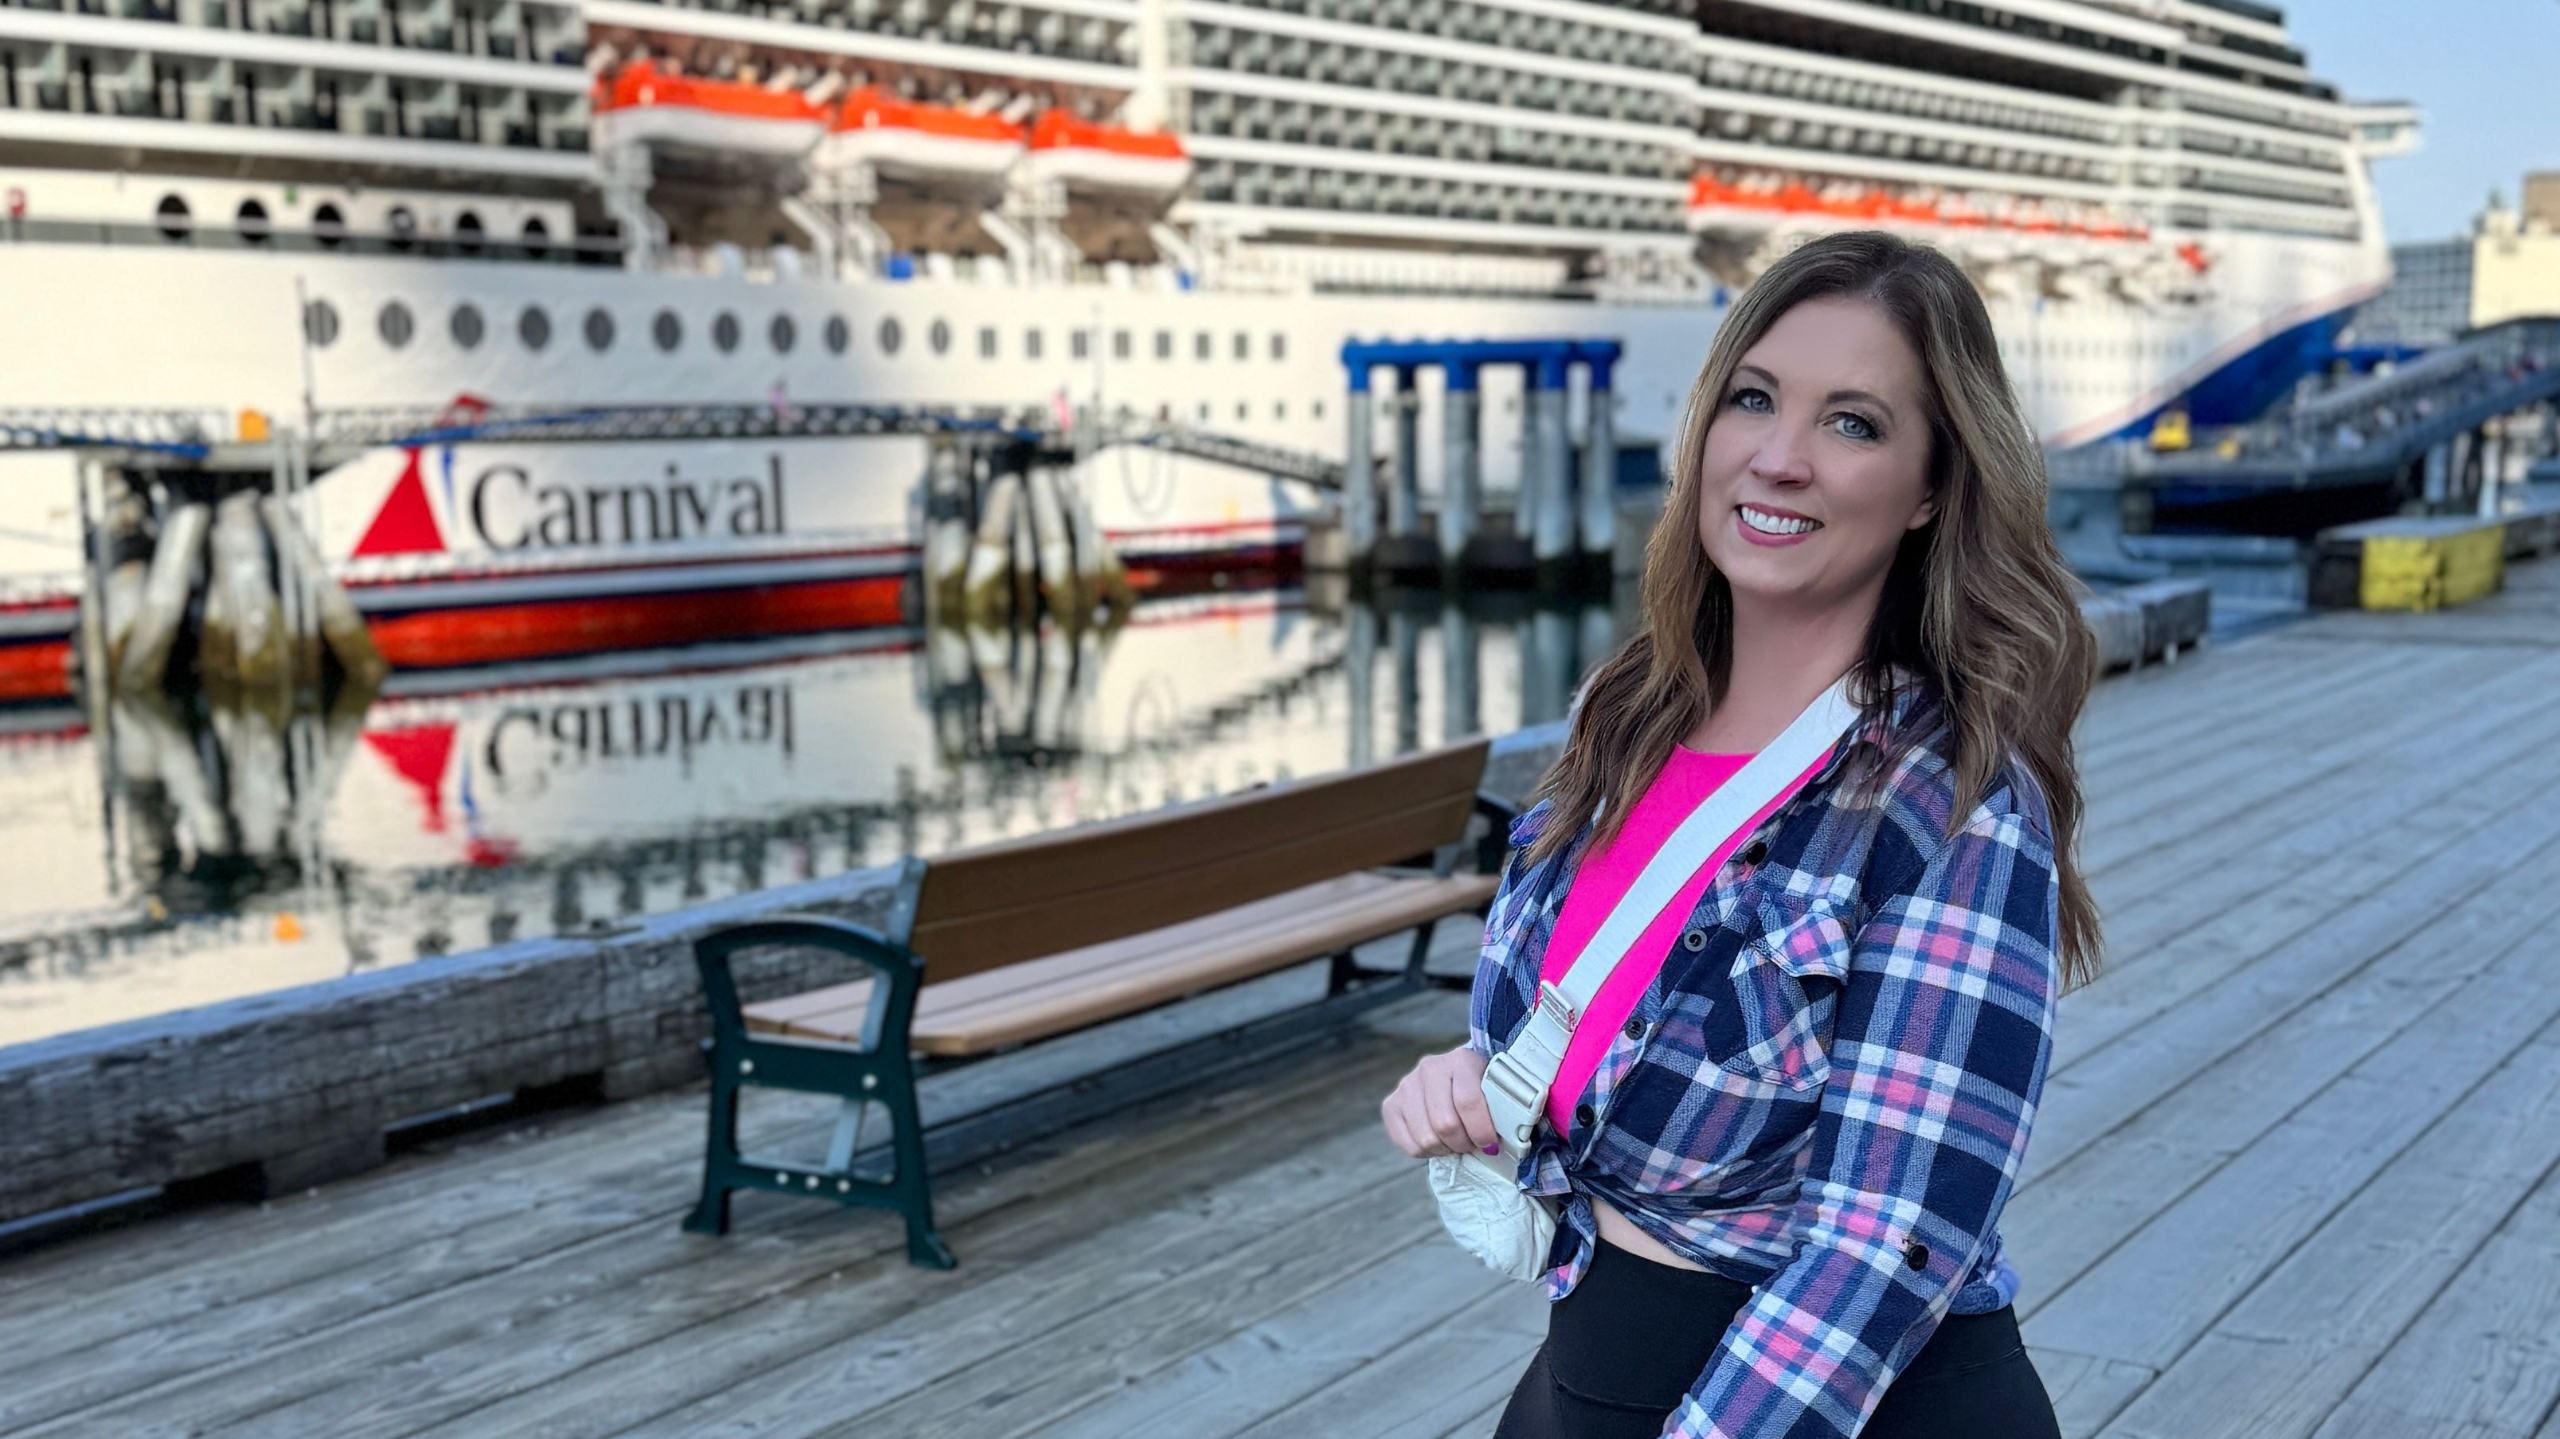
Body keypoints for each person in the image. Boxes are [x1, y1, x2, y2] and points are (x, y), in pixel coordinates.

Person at [1380, 231, 2100, 1439]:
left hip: (1824, 1403)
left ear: (1932, 487)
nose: (1778, 457)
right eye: (1753, 399)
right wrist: (1476, 1075)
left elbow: (1885, 1246)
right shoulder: (1628, 717)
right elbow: (1612, 1022)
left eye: (1852, 422)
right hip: (1597, 1361)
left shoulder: (1952, 801)